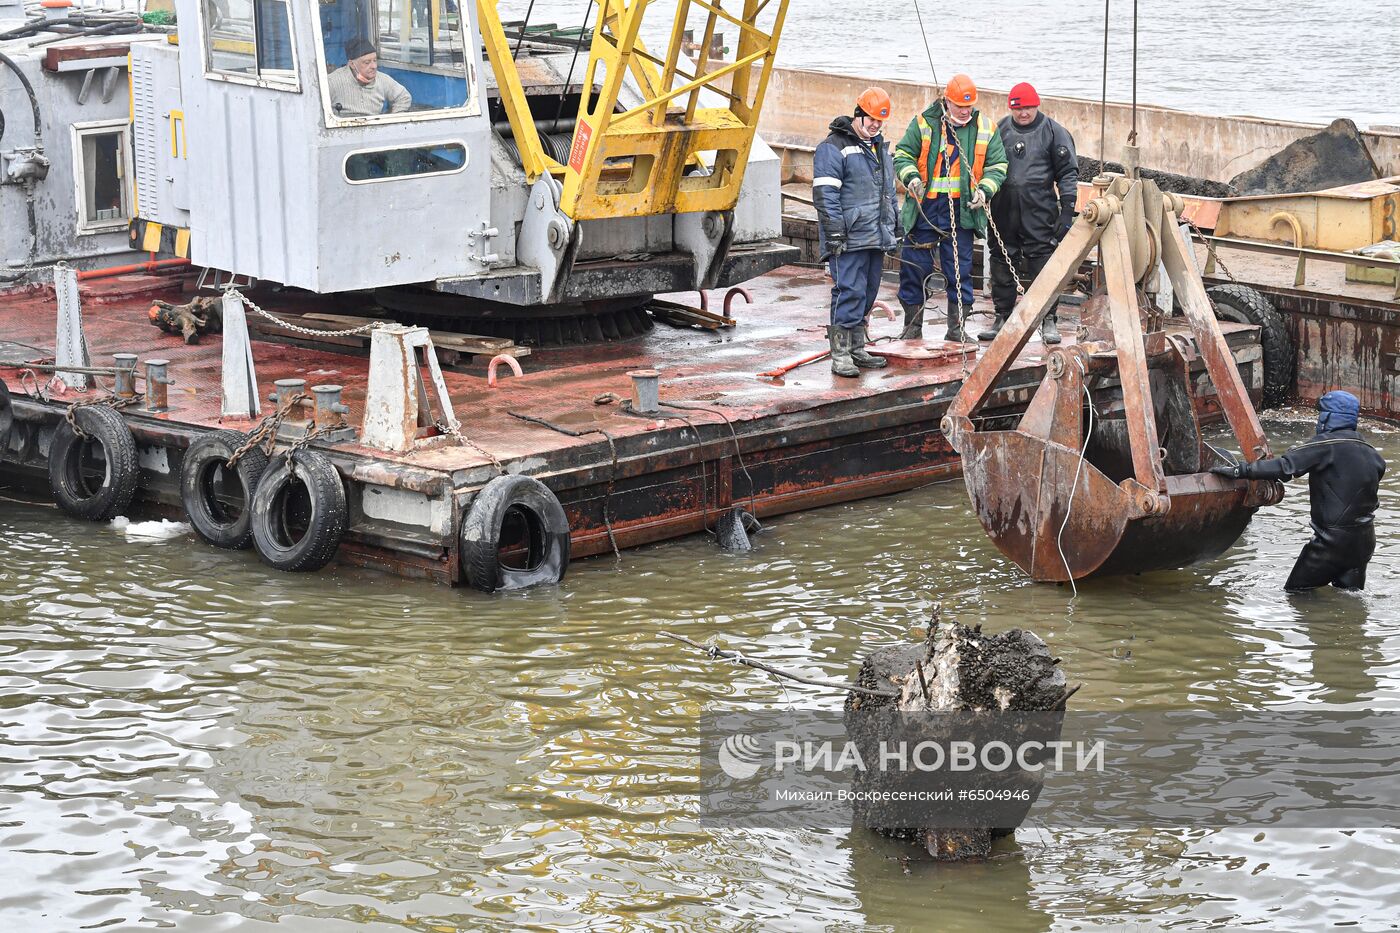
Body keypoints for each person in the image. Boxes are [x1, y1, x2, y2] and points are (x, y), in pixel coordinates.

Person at [1211, 391, 1386, 592]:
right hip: (1364, 542)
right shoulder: (1373, 454)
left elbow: (1285, 466)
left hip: (1331, 544)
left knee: (1296, 594)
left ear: (1327, 418)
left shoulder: (1325, 446)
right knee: (1348, 598)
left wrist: (1239, 470)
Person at [893, 74, 1007, 342]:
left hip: (962, 210)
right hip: (926, 208)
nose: (965, 111)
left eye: (969, 106)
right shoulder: (925, 123)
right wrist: (911, 178)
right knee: (914, 267)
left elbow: (998, 165)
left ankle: (956, 329)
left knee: (960, 270)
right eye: (959, 106)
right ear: (946, 101)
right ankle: (912, 327)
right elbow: (903, 154)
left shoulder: (985, 128)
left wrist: (985, 190)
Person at [982, 82, 1079, 344]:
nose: (1023, 113)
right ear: (1010, 108)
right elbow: (984, 164)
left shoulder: (1054, 132)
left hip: (1039, 209)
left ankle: (1048, 319)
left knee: (1043, 262)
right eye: (1018, 109)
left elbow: (1068, 173)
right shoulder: (999, 129)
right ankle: (1002, 315)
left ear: (1036, 105)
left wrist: (1067, 210)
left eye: (1027, 108)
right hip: (1003, 208)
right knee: (1001, 260)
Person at [812, 87, 899, 377]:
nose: (875, 125)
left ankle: (857, 346)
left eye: (879, 121)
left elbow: (888, 194)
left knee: (868, 291)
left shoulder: (879, 149)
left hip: (874, 235)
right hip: (849, 237)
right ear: (858, 114)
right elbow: (825, 194)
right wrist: (835, 233)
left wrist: (893, 227)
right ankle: (840, 353)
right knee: (849, 290)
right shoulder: (834, 147)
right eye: (871, 118)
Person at [328, 37, 412, 118]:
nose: (374, 66)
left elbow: (404, 97)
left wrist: (393, 118)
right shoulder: (333, 81)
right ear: (352, 64)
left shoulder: (382, 79)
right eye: (367, 62)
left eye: (375, 60)